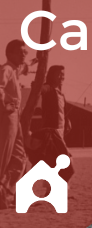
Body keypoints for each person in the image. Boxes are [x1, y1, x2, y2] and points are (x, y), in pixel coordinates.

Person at [25, 65, 75, 193]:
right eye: (59, 74)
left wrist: (67, 120)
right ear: (51, 75)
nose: (61, 76)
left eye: (63, 74)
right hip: (52, 133)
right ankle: (55, 188)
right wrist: (37, 85)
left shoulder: (60, 93)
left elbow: (62, 111)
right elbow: (41, 89)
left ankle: (53, 189)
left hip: (60, 133)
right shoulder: (49, 88)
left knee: (54, 161)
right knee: (64, 160)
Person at [0, 40, 31, 209]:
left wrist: (38, 60)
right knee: (4, 155)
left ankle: (5, 190)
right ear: (10, 54)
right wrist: (5, 104)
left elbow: (25, 66)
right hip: (8, 115)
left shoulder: (15, 69)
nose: (24, 55)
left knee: (20, 157)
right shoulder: (6, 69)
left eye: (25, 52)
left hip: (16, 117)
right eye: (21, 52)